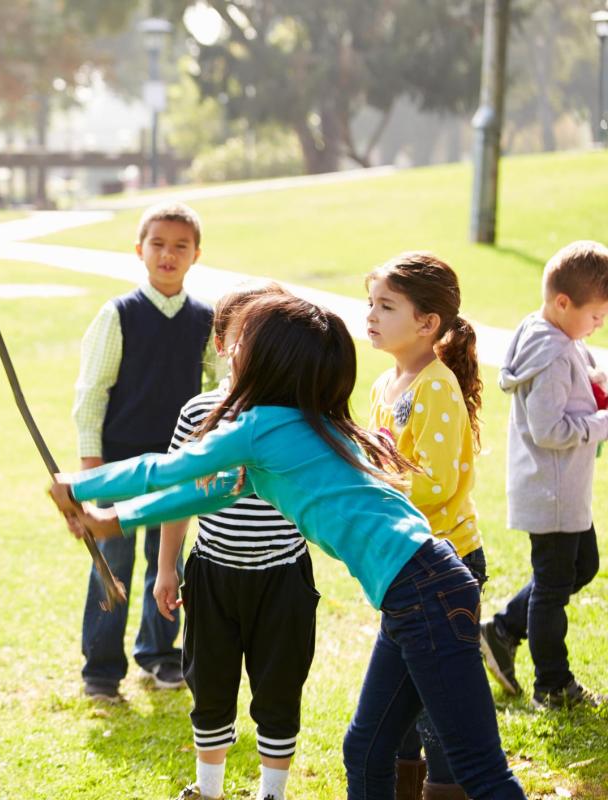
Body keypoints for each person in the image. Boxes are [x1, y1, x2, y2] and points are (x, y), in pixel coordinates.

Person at [51, 294, 525, 799]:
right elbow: (204, 491)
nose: (231, 350)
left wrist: (80, 486)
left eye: (243, 342)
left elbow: (164, 469)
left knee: (478, 769)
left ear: (267, 360)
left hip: (424, 591)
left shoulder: (262, 429)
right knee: (365, 750)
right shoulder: (297, 427)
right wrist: (114, 520)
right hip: (417, 592)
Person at [155, 281, 314, 800]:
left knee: (279, 686)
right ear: (223, 345)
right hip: (213, 574)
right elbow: (177, 498)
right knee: (211, 685)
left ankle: (273, 792)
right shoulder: (197, 414)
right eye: (245, 334)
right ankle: (209, 789)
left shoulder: (299, 415)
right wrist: (165, 567)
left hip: (283, 576)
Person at [72, 201, 214, 701]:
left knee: (166, 558)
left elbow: (218, 391)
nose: (168, 254)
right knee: (112, 561)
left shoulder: (205, 321)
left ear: (197, 255)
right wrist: (91, 475)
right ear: (139, 250)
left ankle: (159, 653)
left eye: (180, 246)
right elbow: (92, 394)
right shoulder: (119, 315)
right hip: (119, 466)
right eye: (158, 244)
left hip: (179, 464)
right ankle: (101, 670)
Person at [365, 253, 485, 800]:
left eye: (386, 306)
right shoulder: (385, 384)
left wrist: (371, 488)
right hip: (404, 565)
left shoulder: (434, 387)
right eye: (371, 303)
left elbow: (434, 483)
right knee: (404, 708)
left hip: (446, 563)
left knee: (439, 712)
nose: (371, 315)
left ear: (428, 322)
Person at [479, 240, 608, 710]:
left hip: (563, 488)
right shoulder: (550, 354)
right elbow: (549, 428)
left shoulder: (554, 336)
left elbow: (579, 374)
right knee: (553, 588)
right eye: (596, 317)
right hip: (551, 490)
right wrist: (602, 424)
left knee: (582, 567)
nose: (599, 325)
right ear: (562, 303)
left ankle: (502, 629)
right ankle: (552, 686)